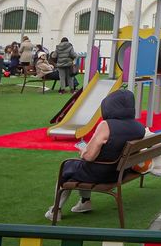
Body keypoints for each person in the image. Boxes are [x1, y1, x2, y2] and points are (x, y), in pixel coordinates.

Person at [46, 90, 145, 220]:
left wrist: (83, 151)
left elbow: (89, 157)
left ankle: (56, 210)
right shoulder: (138, 127)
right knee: (79, 165)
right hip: (121, 171)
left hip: (101, 173)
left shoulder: (106, 125)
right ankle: (84, 202)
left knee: (67, 167)